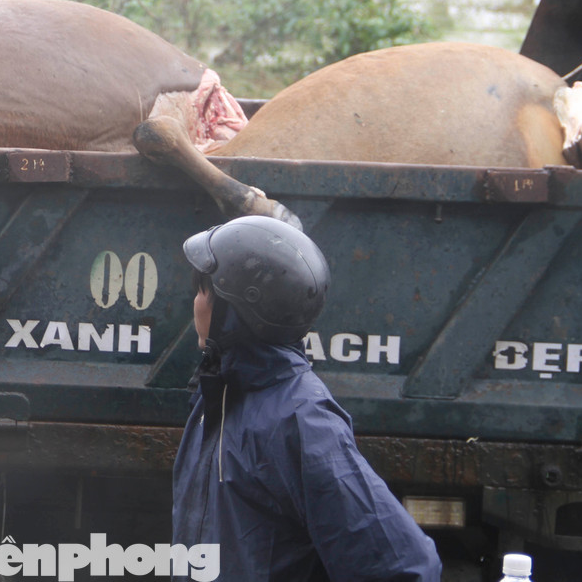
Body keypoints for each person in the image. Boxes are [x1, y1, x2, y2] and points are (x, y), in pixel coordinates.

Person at [172, 215, 441, 582]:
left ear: (236, 311)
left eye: (204, 290)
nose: (196, 303)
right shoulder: (217, 398)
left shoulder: (300, 418)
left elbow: (402, 567)